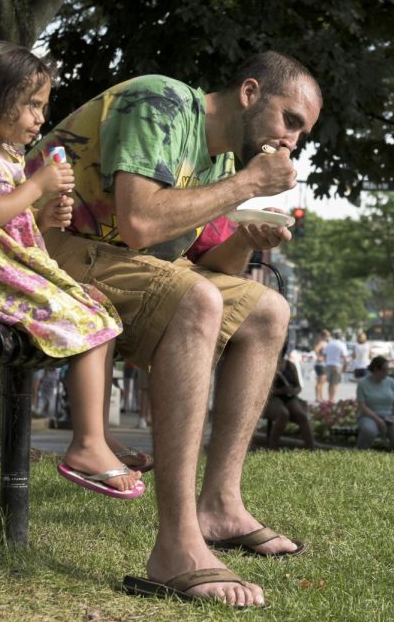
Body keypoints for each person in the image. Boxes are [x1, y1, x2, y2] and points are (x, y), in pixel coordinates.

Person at [27, 51, 323, 607]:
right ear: (250, 92)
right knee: (196, 301)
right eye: (290, 120)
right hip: (45, 253)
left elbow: (212, 272)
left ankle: (221, 506)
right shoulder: (160, 100)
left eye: (302, 133)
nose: (293, 142)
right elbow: (139, 223)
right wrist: (249, 184)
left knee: (266, 312)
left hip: (113, 268)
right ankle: (175, 547)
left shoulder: (216, 163)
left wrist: (244, 239)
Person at [0, 41, 143, 500]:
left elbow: (8, 228)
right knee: (87, 319)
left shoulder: (9, 158)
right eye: (31, 105)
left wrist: (42, 220)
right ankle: (85, 445)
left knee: (98, 309)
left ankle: (96, 435)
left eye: (42, 106)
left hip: (1, 272)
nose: (40, 118)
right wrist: (39, 186)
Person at [263, 348, 314, 450]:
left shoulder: (290, 366)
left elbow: (298, 386)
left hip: (289, 397)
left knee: (302, 416)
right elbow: (262, 390)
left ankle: (311, 448)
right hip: (273, 398)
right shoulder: (267, 365)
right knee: (283, 414)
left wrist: (294, 391)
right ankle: (272, 448)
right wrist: (280, 391)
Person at [356, 356, 394, 452]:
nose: (387, 372)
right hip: (369, 416)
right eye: (385, 370)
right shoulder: (363, 383)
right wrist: (379, 420)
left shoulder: (391, 382)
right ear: (376, 369)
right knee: (369, 431)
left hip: (389, 417)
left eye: (388, 369)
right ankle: (358, 456)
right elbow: (362, 406)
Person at [323, 330, 349, 403]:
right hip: (337, 365)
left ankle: (329, 398)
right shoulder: (341, 344)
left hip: (329, 364)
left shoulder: (329, 343)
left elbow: (324, 354)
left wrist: (327, 362)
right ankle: (332, 399)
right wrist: (345, 366)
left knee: (330, 383)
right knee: (335, 383)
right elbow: (345, 357)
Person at [312, 330, 330, 402]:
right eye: (327, 336)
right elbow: (316, 349)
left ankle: (321, 397)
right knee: (320, 382)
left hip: (323, 364)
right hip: (320, 364)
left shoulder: (326, 343)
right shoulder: (322, 343)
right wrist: (319, 357)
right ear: (323, 336)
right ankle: (317, 397)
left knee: (322, 382)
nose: (329, 337)